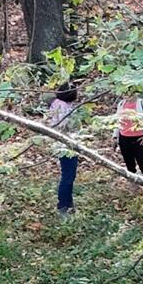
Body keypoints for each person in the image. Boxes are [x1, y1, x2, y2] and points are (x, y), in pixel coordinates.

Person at [45, 81, 83, 213]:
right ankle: (63, 205)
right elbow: (63, 124)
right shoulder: (62, 106)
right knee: (68, 175)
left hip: (68, 143)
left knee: (69, 175)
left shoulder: (59, 104)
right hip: (65, 144)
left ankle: (69, 203)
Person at [115, 91, 143, 179]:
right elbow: (117, 121)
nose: (127, 96)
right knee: (129, 164)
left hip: (139, 139)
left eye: (130, 93)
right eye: (125, 93)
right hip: (124, 138)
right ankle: (133, 183)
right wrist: (115, 136)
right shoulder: (121, 104)